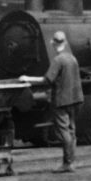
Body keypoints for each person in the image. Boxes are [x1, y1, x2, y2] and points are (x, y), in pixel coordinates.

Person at [20, 30, 83, 173]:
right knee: (72, 131)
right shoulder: (73, 58)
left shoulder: (58, 60)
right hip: (76, 99)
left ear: (54, 44)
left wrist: (27, 78)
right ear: (65, 42)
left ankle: (67, 163)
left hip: (62, 100)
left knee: (64, 132)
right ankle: (72, 161)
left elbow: (47, 79)